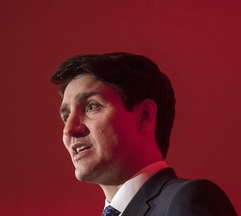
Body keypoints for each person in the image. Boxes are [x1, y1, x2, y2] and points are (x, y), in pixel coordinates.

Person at [51, 52, 237, 216]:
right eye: (66, 116)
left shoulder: (187, 200)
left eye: (91, 107)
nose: (69, 129)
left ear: (144, 115)